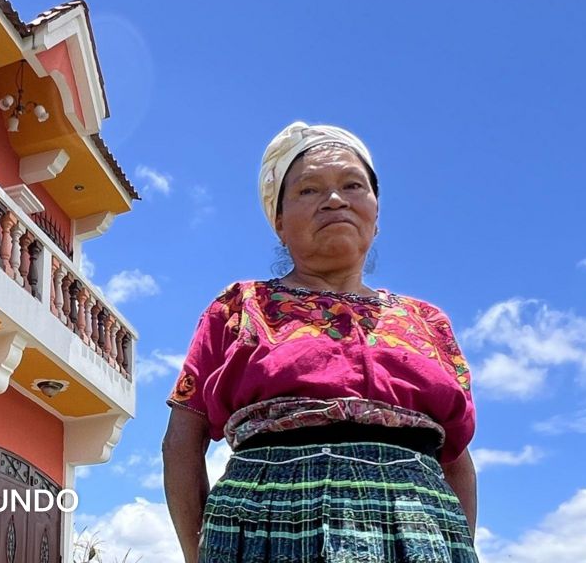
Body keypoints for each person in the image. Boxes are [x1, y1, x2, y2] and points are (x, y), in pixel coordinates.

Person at [162, 122, 478, 562]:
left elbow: (457, 459)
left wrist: (457, 548)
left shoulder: (428, 321)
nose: (334, 199)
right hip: (263, 528)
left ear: (376, 214)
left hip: (417, 530)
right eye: (309, 190)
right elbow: (181, 441)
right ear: (279, 222)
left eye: (353, 185)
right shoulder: (239, 307)